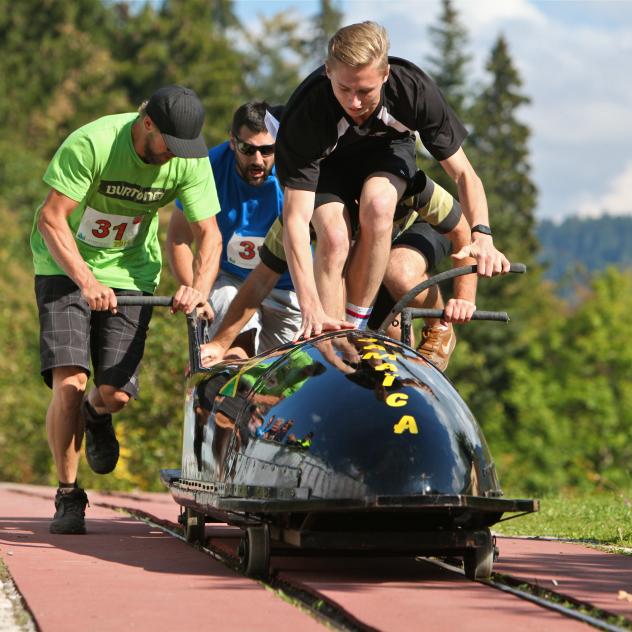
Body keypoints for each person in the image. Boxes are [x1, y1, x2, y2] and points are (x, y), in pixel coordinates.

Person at [31, 85, 222, 535]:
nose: (175, 156)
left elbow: (208, 235)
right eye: (168, 146)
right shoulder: (94, 143)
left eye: (183, 149)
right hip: (64, 264)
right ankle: (68, 494)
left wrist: (197, 289)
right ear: (147, 123)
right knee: (71, 383)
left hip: (132, 271)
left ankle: (97, 417)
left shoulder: (188, 160)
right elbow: (51, 217)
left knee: (114, 393)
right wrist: (86, 280)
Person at [276, 21, 510, 342]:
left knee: (378, 204)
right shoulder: (306, 112)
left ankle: (357, 327)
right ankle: (332, 339)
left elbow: (464, 174)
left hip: (388, 154)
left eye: (365, 91)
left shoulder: (412, 90)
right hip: (329, 168)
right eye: (344, 89)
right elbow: (295, 221)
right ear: (328, 71)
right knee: (332, 236)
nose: (355, 103)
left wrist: (482, 233)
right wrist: (309, 305)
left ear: (385, 75)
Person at [199, 172, 477, 372]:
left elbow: (462, 230)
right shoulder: (300, 214)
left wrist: (464, 297)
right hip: (361, 254)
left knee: (398, 271)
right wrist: (221, 343)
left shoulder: (410, 183)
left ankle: (438, 329)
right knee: (350, 311)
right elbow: (260, 281)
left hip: (412, 233)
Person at [166, 101, 301, 356]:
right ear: (232, 141)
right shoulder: (210, 168)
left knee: (279, 384)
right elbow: (179, 238)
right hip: (231, 280)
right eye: (247, 149)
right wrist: (196, 295)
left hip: (286, 286)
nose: (257, 160)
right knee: (237, 354)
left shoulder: (297, 174)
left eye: (267, 150)